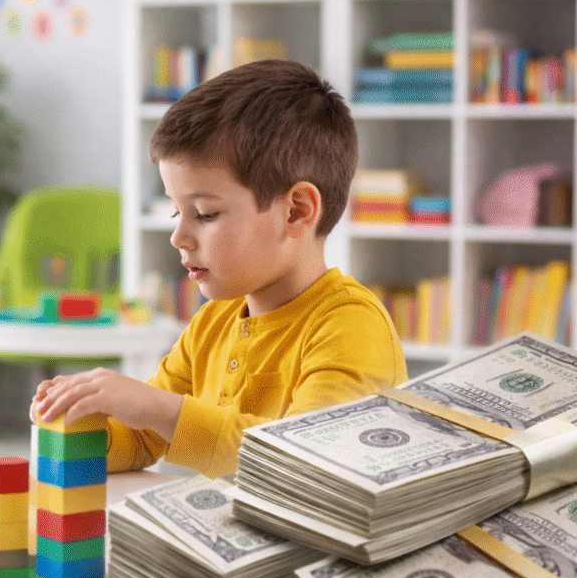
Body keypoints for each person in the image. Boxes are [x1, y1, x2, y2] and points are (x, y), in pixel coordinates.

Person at [31, 59, 408, 479]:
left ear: (297, 212)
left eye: (205, 214)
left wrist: (157, 407)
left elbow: (304, 464)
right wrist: (77, 420)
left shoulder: (351, 327)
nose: (178, 237)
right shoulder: (211, 325)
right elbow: (140, 439)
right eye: (177, 212)